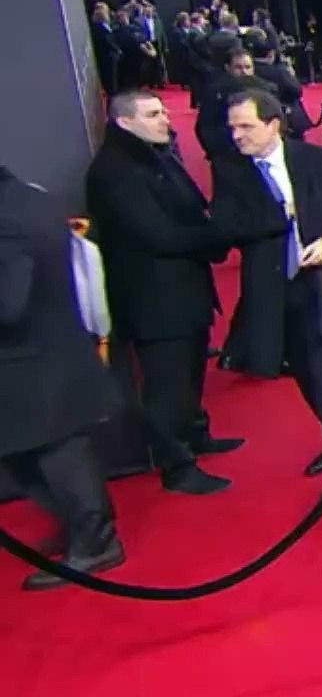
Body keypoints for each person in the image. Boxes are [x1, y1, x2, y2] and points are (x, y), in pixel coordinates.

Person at [210, 89, 322, 508]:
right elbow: (227, 227)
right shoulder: (230, 170)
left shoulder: (316, 161)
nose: (237, 135)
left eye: (246, 126)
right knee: (303, 375)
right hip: (273, 291)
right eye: (232, 127)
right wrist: (280, 216)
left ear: (272, 124)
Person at [86, 90, 238, 496]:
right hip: (154, 298)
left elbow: (189, 206)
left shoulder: (155, 155)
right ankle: (177, 464)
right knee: (166, 383)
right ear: (124, 122)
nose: (165, 119)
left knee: (189, 370)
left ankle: (195, 434)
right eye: (153, 113)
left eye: (163, 111)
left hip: (184, 288)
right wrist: (215, 236)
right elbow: (155, 234)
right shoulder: (114, 171)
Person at [0, 166, 126, 590]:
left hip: (32, 364)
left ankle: (95, 541)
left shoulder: (7, 217)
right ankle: (80, 528)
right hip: (48, 355)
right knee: (45, 456)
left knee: (58, 457)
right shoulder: (30, 196)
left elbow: (7, 305)